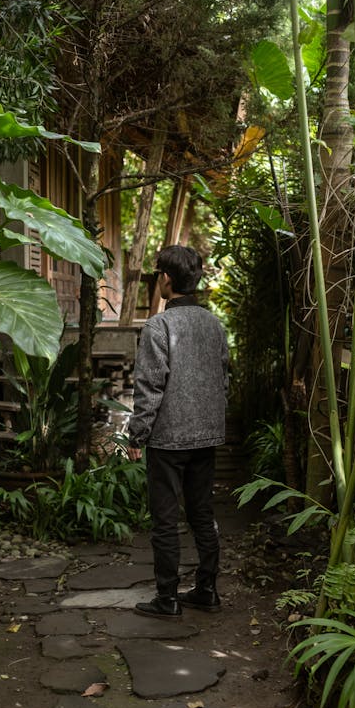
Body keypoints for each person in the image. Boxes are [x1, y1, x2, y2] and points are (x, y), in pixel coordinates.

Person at [127, 245, 229, 618]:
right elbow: (223, 380)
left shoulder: (159, 325)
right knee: (203, 514)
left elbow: (150, 386)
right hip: (206, 434)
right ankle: (207, 590)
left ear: (166, 279)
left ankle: (167, 598)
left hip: (168, 439)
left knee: (166, 519)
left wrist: (137, 435)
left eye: (158, 275)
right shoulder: (213, 324)